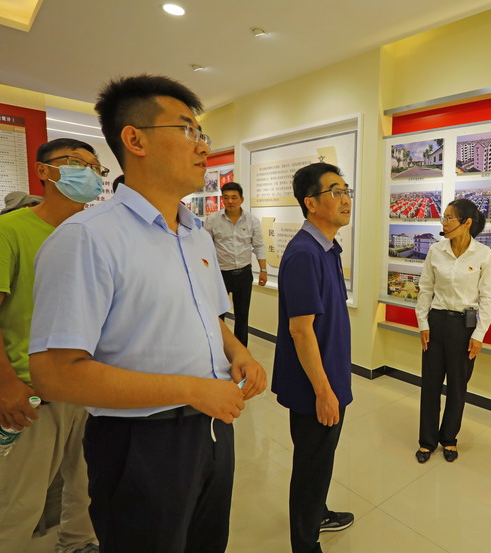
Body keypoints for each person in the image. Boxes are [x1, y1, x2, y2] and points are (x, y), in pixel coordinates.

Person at [28, 75, 266, 553]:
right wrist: (192, 389)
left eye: (202, 133)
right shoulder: (87, 238)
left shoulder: (196, 235)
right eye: (187, 130)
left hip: (213, 427)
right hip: (141, 442)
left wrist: (239, 352)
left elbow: (209, 316)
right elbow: (54, 374)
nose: (203, 146)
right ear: (135, 140)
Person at [0, 138, 105, 553]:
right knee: (19, 500)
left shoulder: (92, 235)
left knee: (87, 486)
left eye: (96, 168)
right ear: (43, 171)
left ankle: (78, 543)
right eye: (76, 163)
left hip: (86, 384)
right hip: (29, 392)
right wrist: (7, 386)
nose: (88, 174)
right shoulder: (4, 232)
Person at [273, 162, 354, 553]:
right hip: (314, 385)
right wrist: (323, 391)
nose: (345, 199)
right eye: (335, 192)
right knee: (311, 464)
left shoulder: (327, 248)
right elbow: (300, 331)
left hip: (328, 375)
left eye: (346, 190)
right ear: (311, 202)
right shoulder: (305, 253)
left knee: (320, 459)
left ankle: (317, 512)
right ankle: (305, 543)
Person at [414, 198, 491, 463]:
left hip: (465, 326)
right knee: (430, 385)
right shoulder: (436, 251)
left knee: (458, 387)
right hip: (436, 323)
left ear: (466, 222)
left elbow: (487, 299)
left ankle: (449, 438)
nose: (444, 222)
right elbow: (425, 289)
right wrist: (423, 324)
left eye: (449, 218)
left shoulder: (483, 254)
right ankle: (427, 441)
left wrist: (479, 334)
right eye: (444, 217)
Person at [203, 181, 267, 346]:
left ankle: (241, 351)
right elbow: (205, 248)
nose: (230, 201)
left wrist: (263, 270)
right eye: (226, 198)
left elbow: (259, 246)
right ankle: (219, 350)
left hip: (244, 274)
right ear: (222, 199)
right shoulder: (212, 220)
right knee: (218, 315)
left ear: (241, 199)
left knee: (242, 316)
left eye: (234, 197)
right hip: (220, 275)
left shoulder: (252, 220)